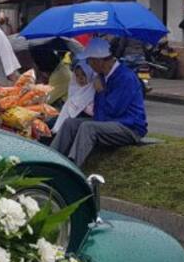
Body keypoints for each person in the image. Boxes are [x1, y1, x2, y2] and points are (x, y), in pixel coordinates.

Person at [52, 38, 146, 166]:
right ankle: (51, 160)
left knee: (88, 127)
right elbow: (100, 115)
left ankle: (72, 167)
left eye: (89, 61)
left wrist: (101, 92)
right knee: (70, 123)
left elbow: (111, 112)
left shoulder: (125, 77)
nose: (88, 65)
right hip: (110, 121)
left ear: (98, 61)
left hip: (129, 127)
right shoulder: (102, 76)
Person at [51, 59, 96, 136]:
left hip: (81, 121)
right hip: (69, 119)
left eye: (84, 74)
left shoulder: (93, 91)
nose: (80, 78)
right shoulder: (75, 88)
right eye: (77, 75)